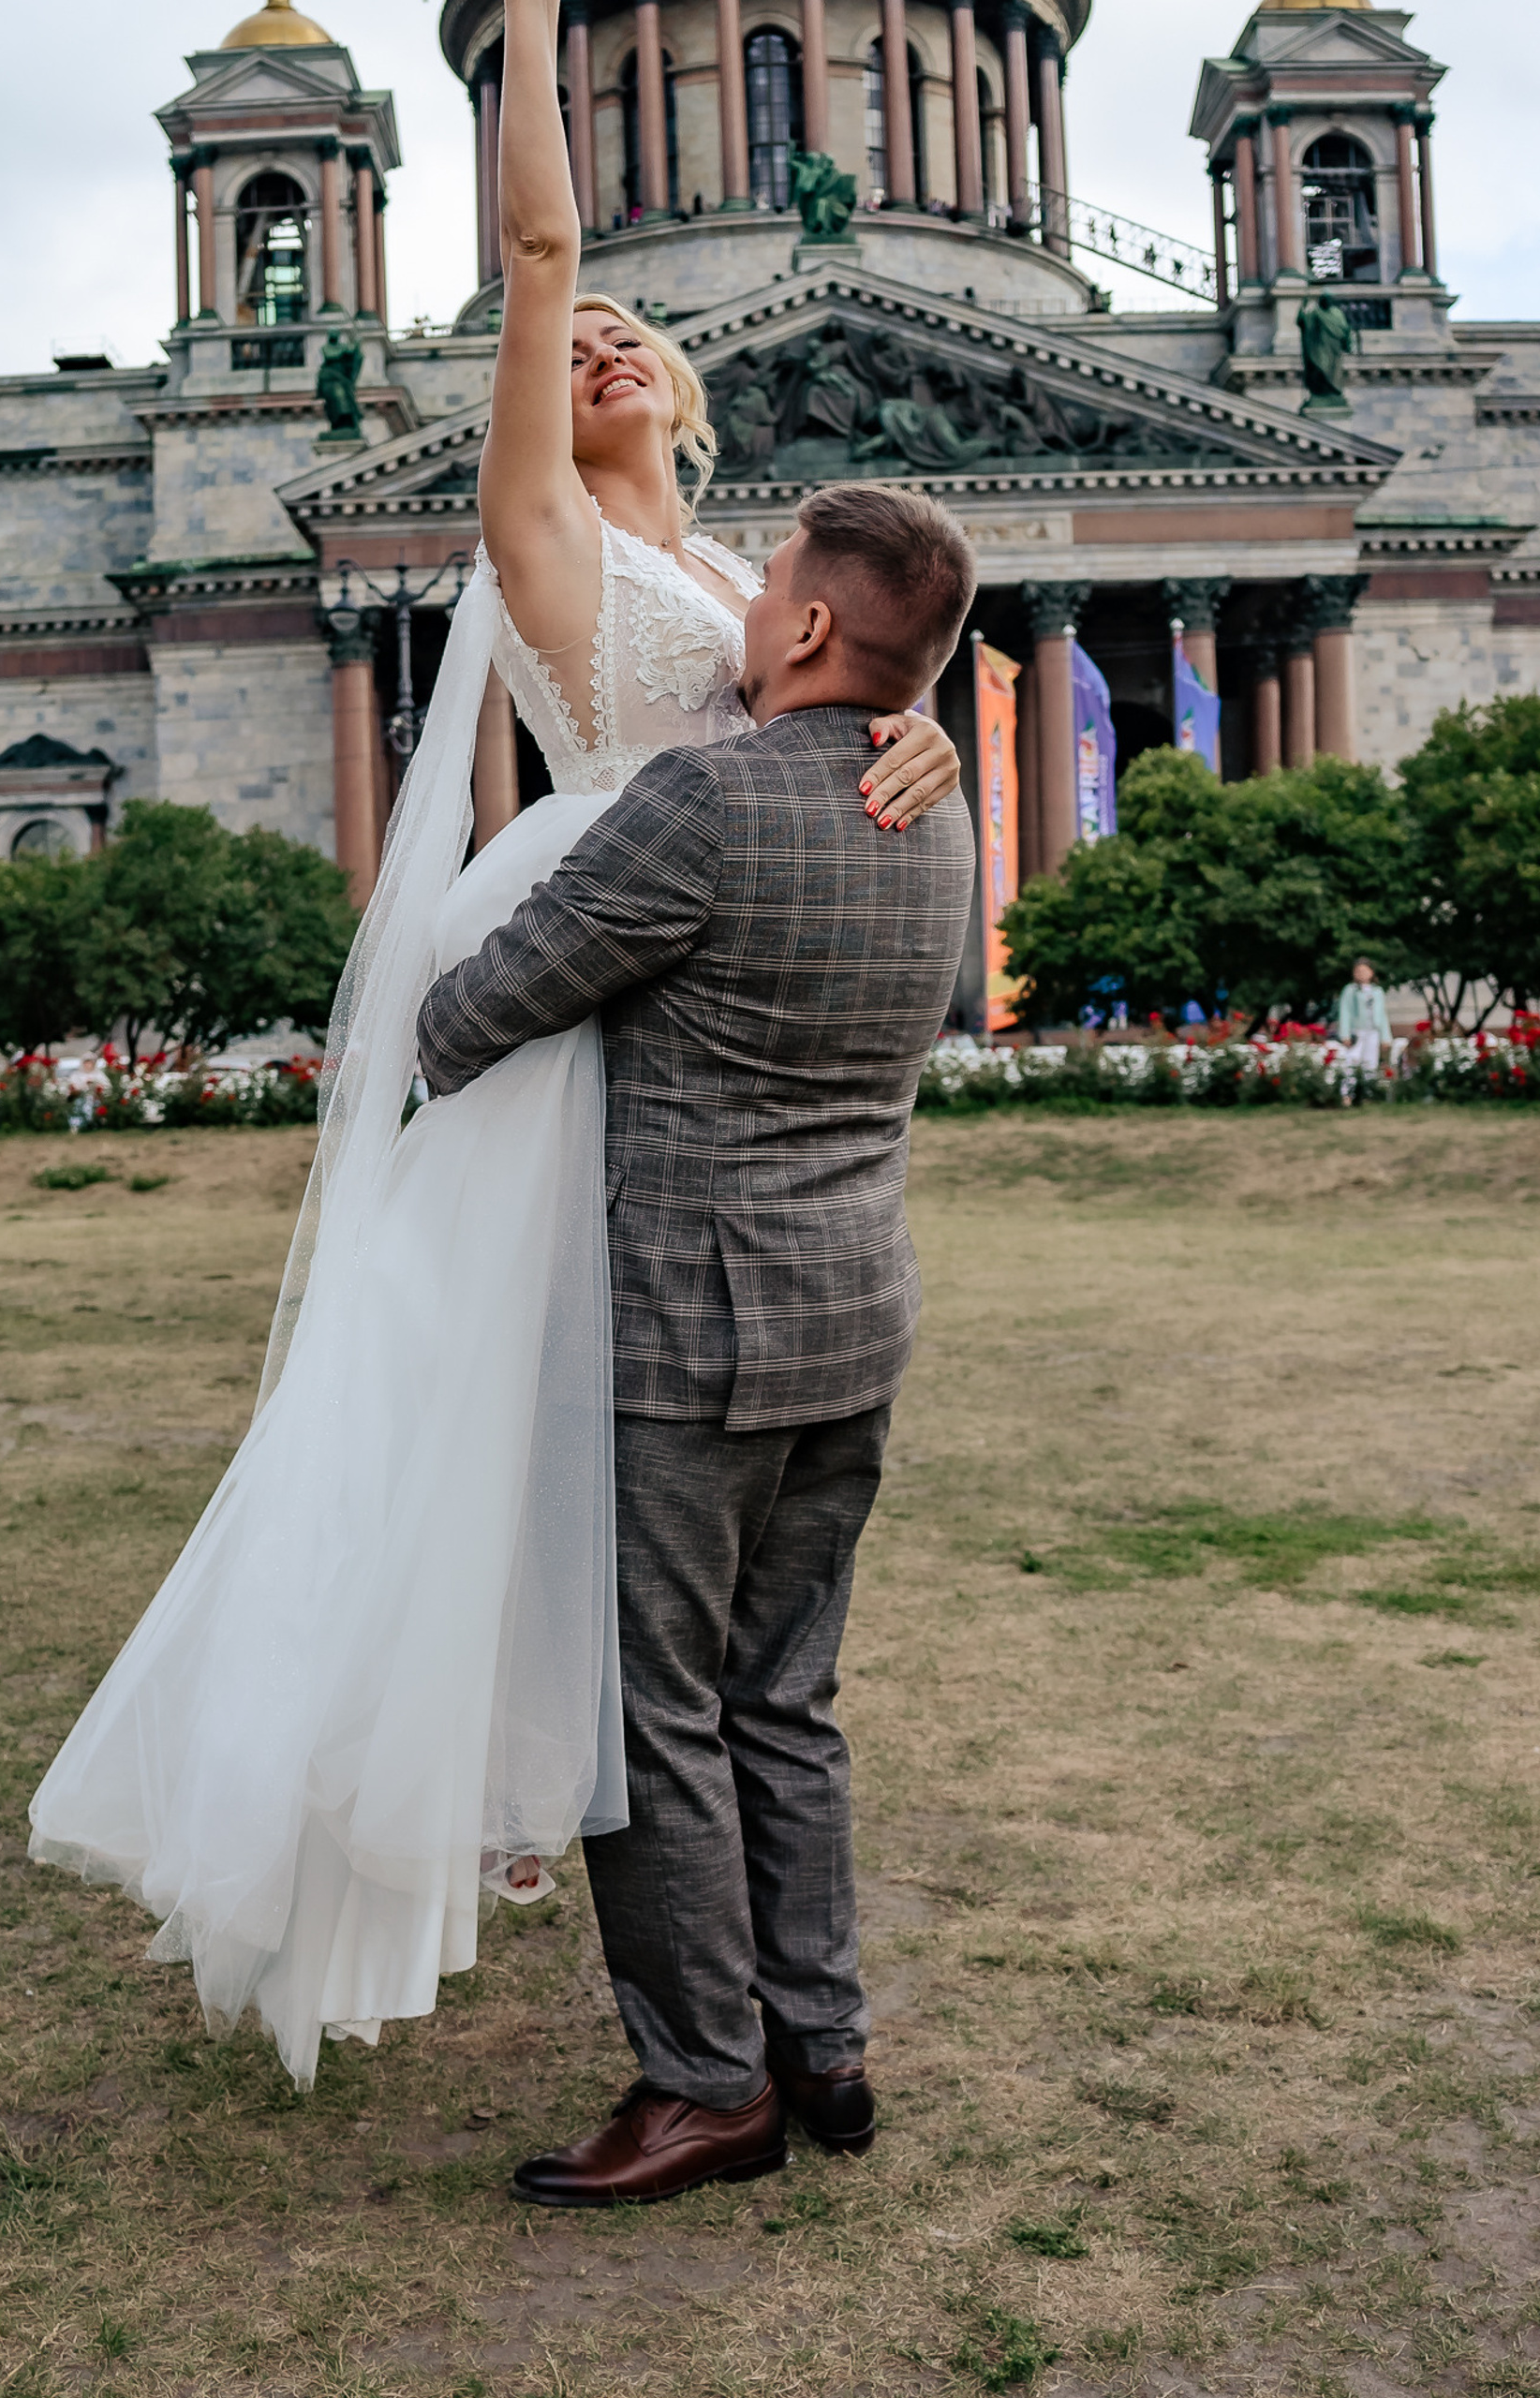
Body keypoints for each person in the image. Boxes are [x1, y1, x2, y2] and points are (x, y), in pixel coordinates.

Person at [23, 0, 962, 2092]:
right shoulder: (545, 531)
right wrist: (527, 24)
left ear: (695, 400)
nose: (601, 337)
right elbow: (540, 249)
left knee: (611, 1545)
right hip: (587, 1004)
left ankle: (733, 2029)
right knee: (528, 1486)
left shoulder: (743, 582)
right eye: (579, 334)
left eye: (636, 336)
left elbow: (847, 672)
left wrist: (916, 737)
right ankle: (690, 1995)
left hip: (689, 1034)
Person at [420, 481, 977, 2207]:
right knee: (783, 1701)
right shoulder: (936, 807)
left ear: (806, 627)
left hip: (687, 1340)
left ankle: (706, 2087)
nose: (739, 601)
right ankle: (823, 2047)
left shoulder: (703, 802)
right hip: (852, 1318)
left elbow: (478, 1011)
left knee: (654, 1713)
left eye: (767, 582)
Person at [1334, 955, 1391, 1103]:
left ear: (1371, 972)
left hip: (1373, 1031)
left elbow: (1382, 1015)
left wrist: (1385, 1037)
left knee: (1370, 1063)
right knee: (1352, 1061)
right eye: (1358, 971)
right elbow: (1345, 1012)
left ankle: (1368, 1094)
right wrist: (1345, 1034)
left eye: (1364, 971)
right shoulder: (1350, 990)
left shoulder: (1377, 991)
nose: (1361, 974)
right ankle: (1347, 1094)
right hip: (1357, 1032)